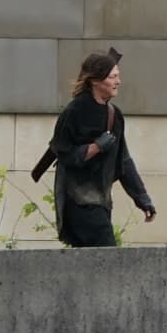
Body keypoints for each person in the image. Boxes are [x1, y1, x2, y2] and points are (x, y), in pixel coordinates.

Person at [46, 50, 155, 248]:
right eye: (113, 76)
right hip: (77, 201)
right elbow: (65, 155)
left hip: (101, 201)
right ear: (95, 80)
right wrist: (95, 148)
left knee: (92, 266)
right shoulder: (74, 112)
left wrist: (142, 198)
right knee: (108, 257)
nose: (118, 81)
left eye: (118, 76)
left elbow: (124, 161)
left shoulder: (114, 115)